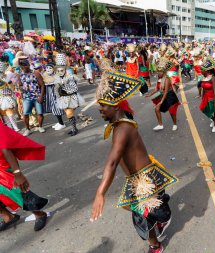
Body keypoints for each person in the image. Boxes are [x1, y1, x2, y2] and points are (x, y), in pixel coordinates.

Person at [91, 62, 178, 253]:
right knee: (140, 212)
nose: (100, 109)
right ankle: (159, 218)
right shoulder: (119, 125)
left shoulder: (122, 128)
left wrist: (100, 192)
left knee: (141, 217)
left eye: (103, 105)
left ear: (116, 106)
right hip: (136, 179)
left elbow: (113, 161)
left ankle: (155, 244)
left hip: (144, 179)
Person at [0, 123, 48, 232]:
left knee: (19, 192)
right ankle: (8, 217)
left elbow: (5, 148)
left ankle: (39, 214)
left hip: (3, 169)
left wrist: (17, 173)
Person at [145, 58, 180, 131]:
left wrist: (161, 102)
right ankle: (160, 125)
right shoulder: (159, 79)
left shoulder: (167, 79)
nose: (158, 73)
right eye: (158, 72)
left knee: (172, 111)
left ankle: (175, 124)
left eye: (160, 72)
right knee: (156, 109)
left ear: (163, 72)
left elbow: (166, 91)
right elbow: (156, 89)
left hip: (170, 96)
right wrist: (150, 94)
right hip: (163, 96)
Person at [54, 53, 84, 136]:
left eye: (62, 70)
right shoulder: (57, 78)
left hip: (71, 98)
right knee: (68, 115)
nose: (60, 72)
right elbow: (56, 89)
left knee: (69, 114)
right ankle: (74, 128)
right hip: (63, 99)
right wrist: (59, 94)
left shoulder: (70, 77)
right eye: (58, 71)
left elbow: (75, 88)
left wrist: (65, 91)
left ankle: (74, 129)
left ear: (64, 69)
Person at [18, 57, 45, 136]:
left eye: (25, 65)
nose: (24, 67)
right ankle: (27, 129)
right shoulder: (20, 75)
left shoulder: (35, 73)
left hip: (37, 96)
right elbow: (20, 85)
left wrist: (41, 96)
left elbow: (42, 85)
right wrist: (22, 89)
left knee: (40, 113)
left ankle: (40, 126)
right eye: (22, 66)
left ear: (29, 65)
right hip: (27, 97)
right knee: (25, 114)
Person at [199, 58, 215, 133]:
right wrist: (202, 96)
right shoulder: (202, 77)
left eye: (201, 70)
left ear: (206, 70)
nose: (200, 71)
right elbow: (203, 88)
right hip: (206, 96)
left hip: (214, 97)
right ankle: (213, 119)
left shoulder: (212, 77)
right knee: (203, 109)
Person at [43, 62, 65, 130]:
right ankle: (59, 122)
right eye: (47, 68)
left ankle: (62, 123)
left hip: (56, 95)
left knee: (57, 108)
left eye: (50, 68)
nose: (48, 69)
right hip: (50, 95)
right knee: (53, 109)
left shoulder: (56, 76)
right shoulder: (45, 76)